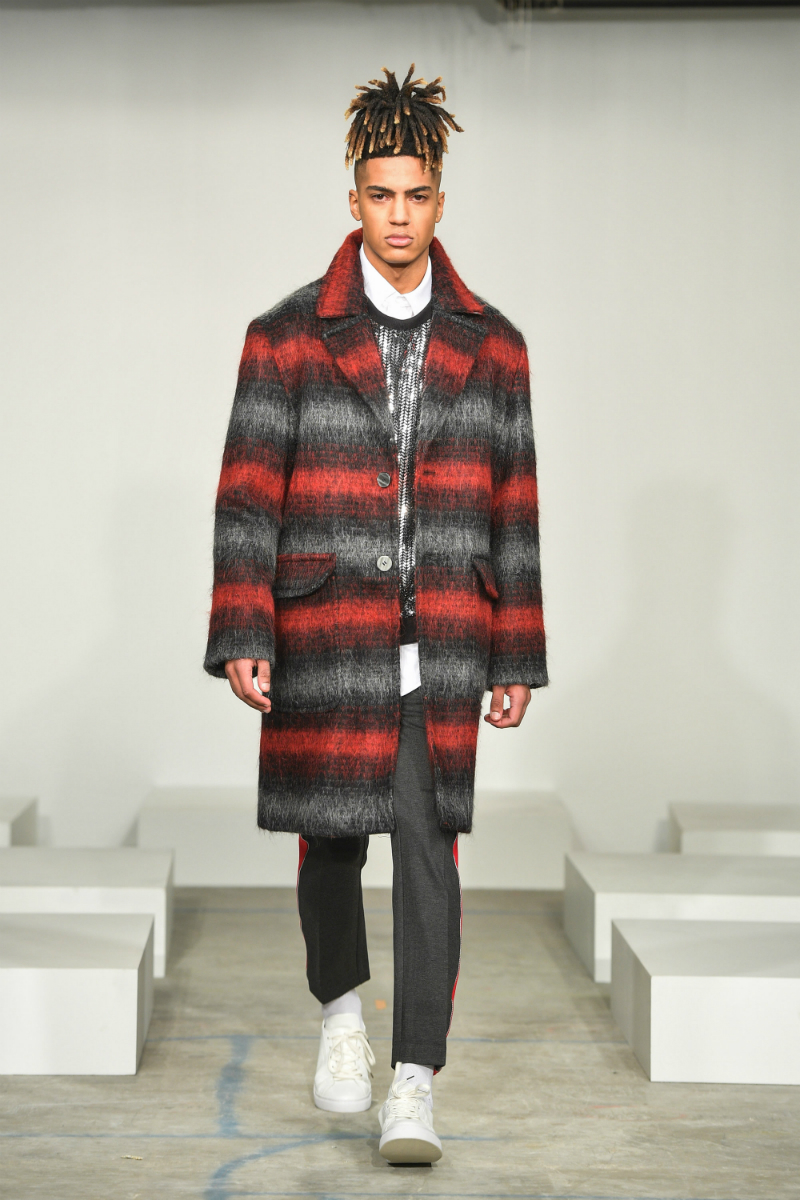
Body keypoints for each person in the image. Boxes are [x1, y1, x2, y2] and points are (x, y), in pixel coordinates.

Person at [203, 64, 547, 1165]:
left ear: (441, 198)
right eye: (381, 195)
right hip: (323, 630)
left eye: (417, 195)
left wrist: (515, 651)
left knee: (430, 852)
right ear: (352, 198)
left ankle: (415, 1081)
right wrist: (244, 629)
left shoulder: (494, 345)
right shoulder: (284, 336)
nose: (399, 216)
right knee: (331, 841)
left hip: (443, 636)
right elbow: (248, 494)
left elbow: (513, 505)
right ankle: (342, 1018)